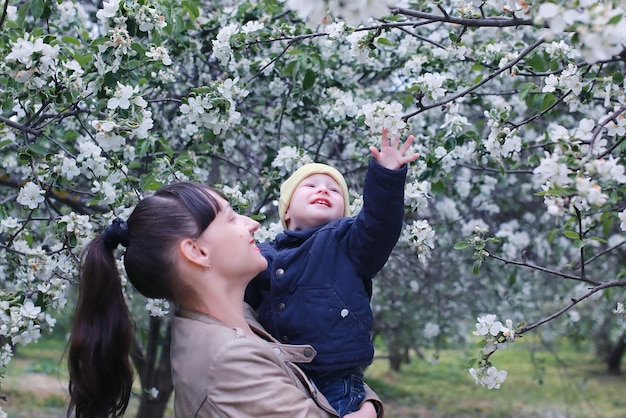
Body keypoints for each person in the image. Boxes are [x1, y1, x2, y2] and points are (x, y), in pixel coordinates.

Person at [66, 181, 383, 418]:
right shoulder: (231, 361)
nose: (253, 224)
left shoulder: (242, 318)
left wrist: (359, 394)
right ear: (197, 252)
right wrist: (368, 407)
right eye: (232, 218)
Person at [245, 129, 419, 416]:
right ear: (286, 212)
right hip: (280, 375)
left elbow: (379, 224)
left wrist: (386, 177)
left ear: (345, 215)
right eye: (310, 186)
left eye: (334, 190)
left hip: (336, 381)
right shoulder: (264, 255)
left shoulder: (347, 243)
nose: (323, 190)